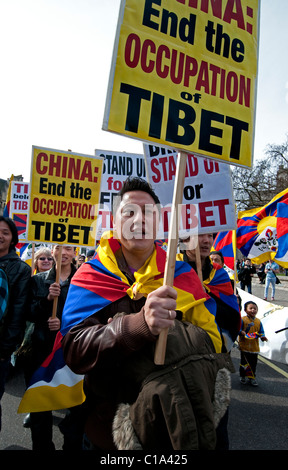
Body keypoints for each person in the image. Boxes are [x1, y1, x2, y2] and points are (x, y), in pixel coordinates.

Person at [61, 177, 231, 451]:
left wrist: (176, 334)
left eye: (149, 213)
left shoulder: (183, 275)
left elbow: (214, 345)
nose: (139, 220)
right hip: (106, 429)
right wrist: (138, 326)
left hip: (172, 425)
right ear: (114, 222)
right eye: (129, 212)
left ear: (160, 222)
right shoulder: (90, 275)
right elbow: (73, 349)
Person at [178, 234, 241, 450]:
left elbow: (232, 317)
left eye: (210, 236)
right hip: (178, 363)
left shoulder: (219, 274)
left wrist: (205, 297)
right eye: (199, 235)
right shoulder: (171, 269)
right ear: (185, 238)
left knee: (216, 432)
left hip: (214, 361)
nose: (206, 241)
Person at [26, 244, 78, 450]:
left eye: (69, 248)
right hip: (41, 351)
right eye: (59, 247)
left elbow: (91, 316)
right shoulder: (38, 280)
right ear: (52, 250)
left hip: (73, 353)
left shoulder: (84, 281)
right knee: (40, 408)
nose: (63, 253)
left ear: (75, 252)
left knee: (75, 409)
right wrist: (47, 300)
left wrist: (65, 327)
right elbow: (28, 313)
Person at [0, 216, 31, 432]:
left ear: (12, 239)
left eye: (5, 232)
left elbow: (18, 313)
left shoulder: (20, 270)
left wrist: (6, 349)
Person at [238, 301, 268, 386]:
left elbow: (261, 332)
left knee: (253, 364)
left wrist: (263, 337)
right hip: (244, 346)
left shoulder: (258, 321)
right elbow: (238, 329)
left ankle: (252, 378)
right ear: (245, 310)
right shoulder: (243, 320)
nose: (253, 310)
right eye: (250, 308)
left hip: (254, 347)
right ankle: (242, 376)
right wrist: (241, 332)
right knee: (244, 363)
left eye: (255, 308)